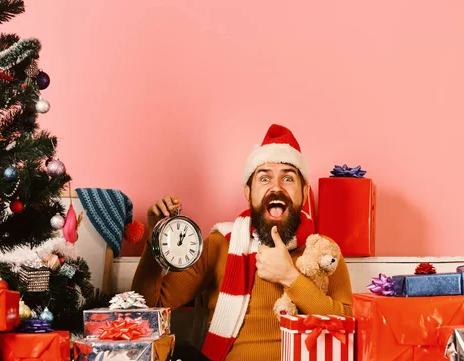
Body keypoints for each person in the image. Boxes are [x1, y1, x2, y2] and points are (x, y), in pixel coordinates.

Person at [132, 124, 352, 361]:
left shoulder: (322, 251)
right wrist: (157, 236)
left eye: (288, 178)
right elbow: (147, 308)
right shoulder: (220, 244)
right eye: (264, 178)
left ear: (304, 193)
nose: (276, 187)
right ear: (248, 192)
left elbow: (348, 326)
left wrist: (290, 277)